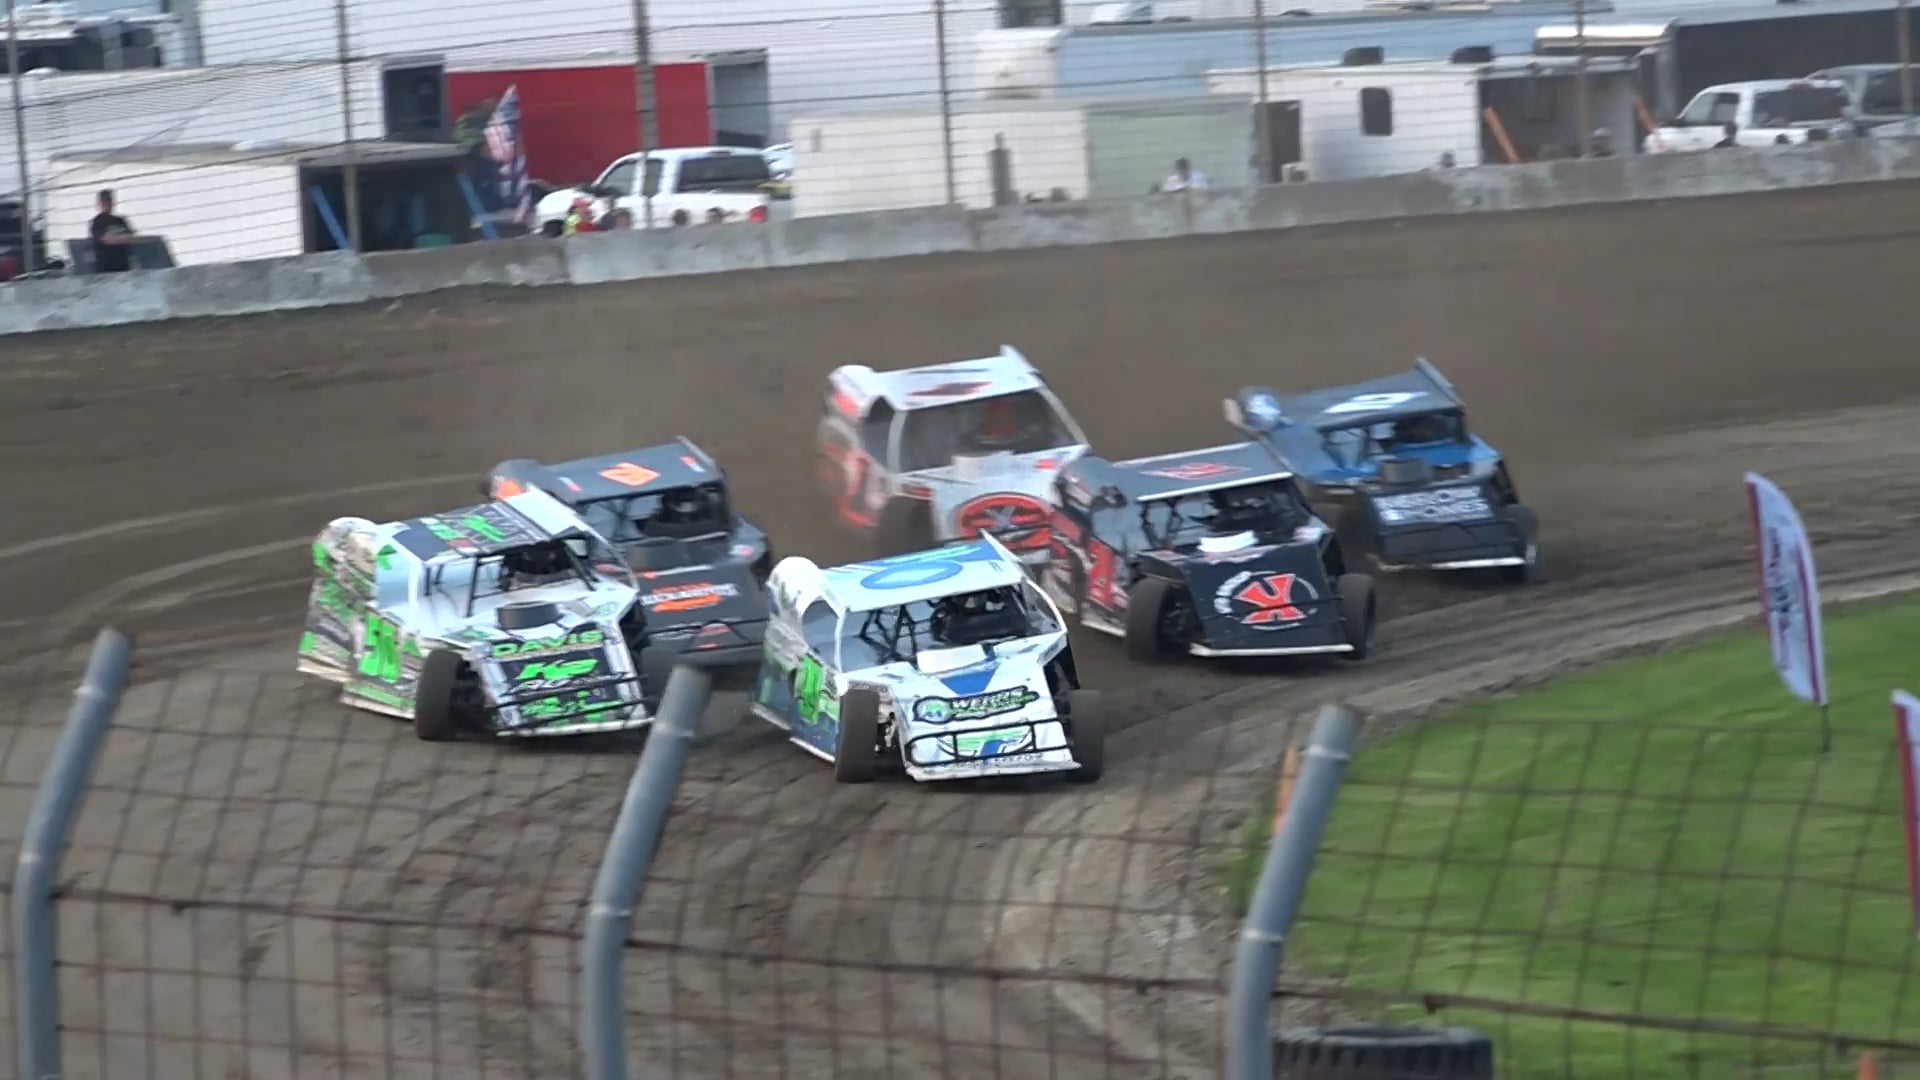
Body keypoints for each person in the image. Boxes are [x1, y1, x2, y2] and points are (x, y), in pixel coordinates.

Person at [89, 189, 136, 273]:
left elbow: (131, 237)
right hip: (105, 268)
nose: (108, 204)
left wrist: (117, 238)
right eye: (104, 202)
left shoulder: (121, 220)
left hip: (123, 266)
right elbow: (106, 239)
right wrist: (121, 238)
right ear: (100, 204)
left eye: (109, 201)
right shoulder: (97, 222)